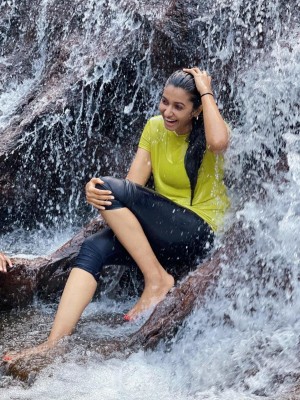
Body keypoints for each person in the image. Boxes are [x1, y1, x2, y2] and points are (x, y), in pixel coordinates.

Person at [3, 67, 230, 361]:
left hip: (200, 232)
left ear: (197, 109)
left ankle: (157, 280)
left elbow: (219, 143)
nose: (168, 112)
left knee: (109, 186)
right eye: (164, 102)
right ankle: (52, 343)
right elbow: (130, 188)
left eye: (179, 106)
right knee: (93, 246)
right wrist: (94, 193)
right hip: (163, 236)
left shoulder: (211, 129)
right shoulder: (154, 129)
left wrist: (205, 90)